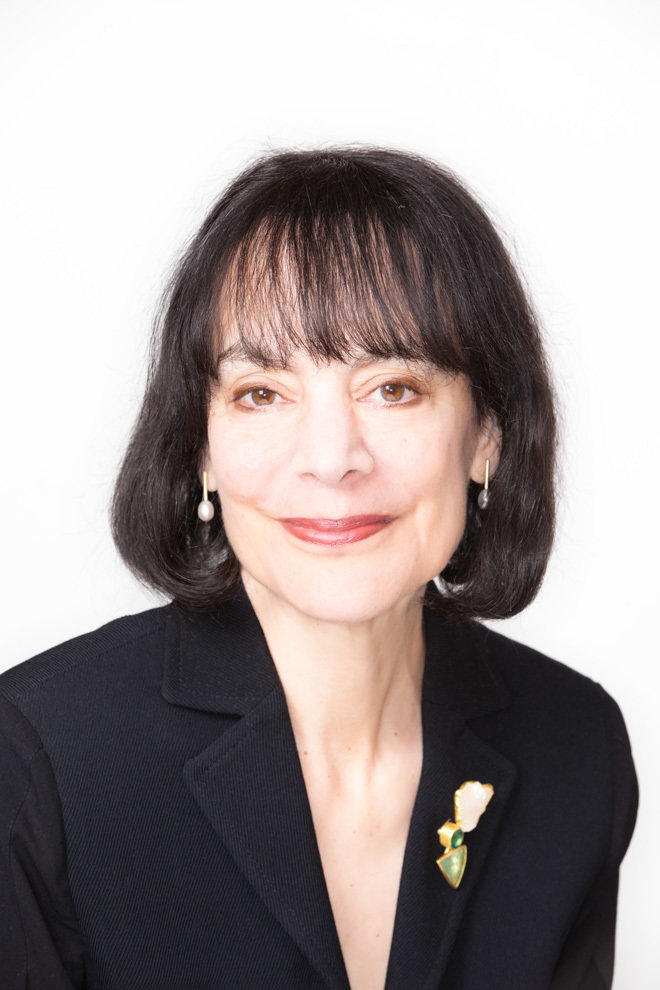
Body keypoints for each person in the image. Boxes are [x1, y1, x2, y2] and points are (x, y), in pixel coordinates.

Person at [0, 148, 636, 990]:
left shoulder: (577, 747)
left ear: (486, 435)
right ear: (202, 449)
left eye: (393, 387)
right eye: (262, 393)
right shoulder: (41, 756)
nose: (333, 460)